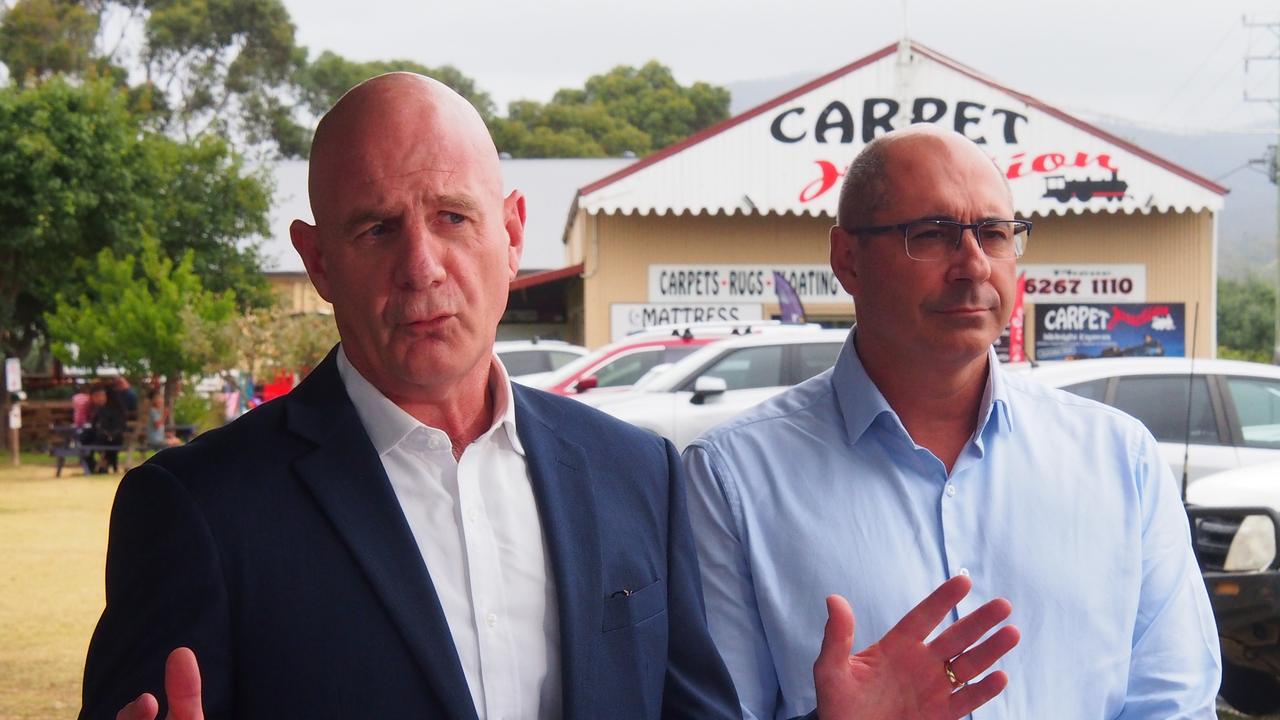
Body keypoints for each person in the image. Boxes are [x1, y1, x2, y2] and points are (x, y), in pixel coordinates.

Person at [81, 76, 1016, 720]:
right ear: (319, 260)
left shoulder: (634, 474)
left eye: (453, 217)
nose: (422, 267)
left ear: (513, 233)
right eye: (375, 228)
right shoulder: (198, 511)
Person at [683, 124, 1221, 719]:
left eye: (994, 234)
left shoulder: (1122, 460)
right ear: (848, 259)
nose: (973, 266)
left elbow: (1174, 703)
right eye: (933, 235)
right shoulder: (733, 479)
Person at [82, 383, 126, 474]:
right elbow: (93, 426)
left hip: (113, 437)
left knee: (98, 439)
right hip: (100, 437)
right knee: (84, 437)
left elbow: (117, 427)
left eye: (101, 395)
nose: (99, 398)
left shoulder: (113, 409)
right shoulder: (96, 409)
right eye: (96, 396)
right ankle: (92, 465)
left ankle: (103, 464)